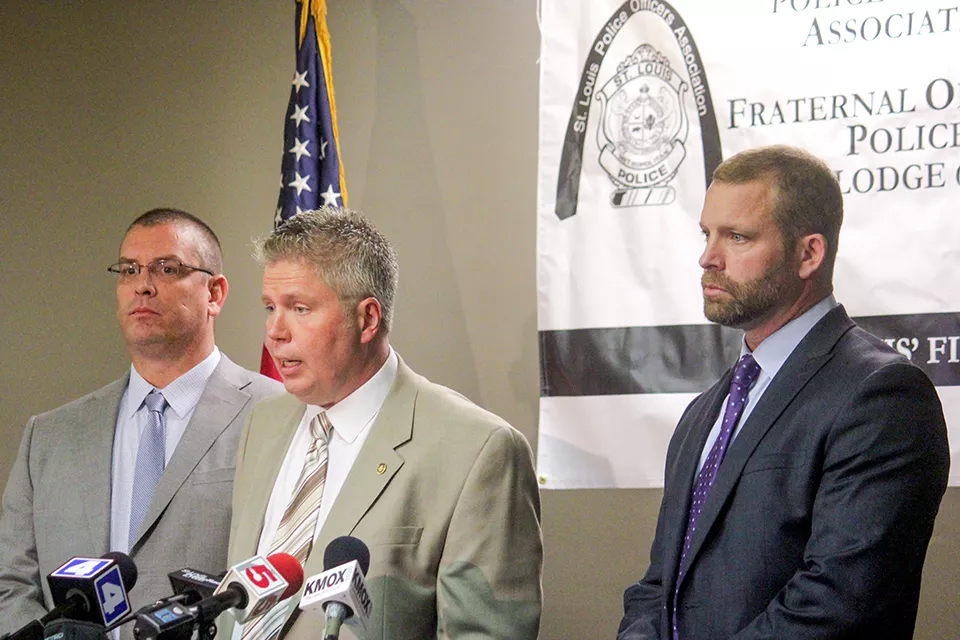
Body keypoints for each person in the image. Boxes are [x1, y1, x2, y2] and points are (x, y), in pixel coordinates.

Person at [618, 145, 950, 639]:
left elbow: (837, 602)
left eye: (737, 236)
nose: (708, 257)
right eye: (707, 234)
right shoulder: (705, 411)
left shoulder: (881, 395)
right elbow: (660, 583)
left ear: (809, 253)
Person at [220, 207, 542, 640]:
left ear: (367, 318)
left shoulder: (478, 450)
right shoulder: (263, 423)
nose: (275, 331)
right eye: (270, 307)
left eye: (300, 307)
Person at [0, 208, 282, 637]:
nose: (143, 285)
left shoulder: (280, 415)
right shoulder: (49, 436)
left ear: (215, 294)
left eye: (166, 269)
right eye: (129, 270)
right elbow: (11, 582)